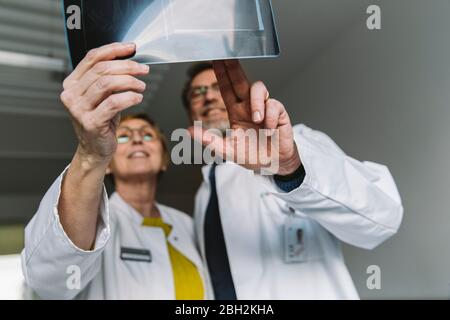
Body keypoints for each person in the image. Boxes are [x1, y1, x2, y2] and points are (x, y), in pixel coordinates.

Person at [182, 61, 404, 299]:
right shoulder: (203, 194)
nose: (208, 98)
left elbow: (382, 219)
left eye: (217, 88)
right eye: (198, 93)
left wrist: (290, 168)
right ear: (190, 113)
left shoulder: (300, 144)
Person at [21, 44, 208, 300]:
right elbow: (53, 281)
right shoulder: (93, 224)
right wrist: (91, 154)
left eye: (147, 135)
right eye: (123, 137)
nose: (137, 140)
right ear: (108, 162)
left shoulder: (186, 224)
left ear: (164, 159)